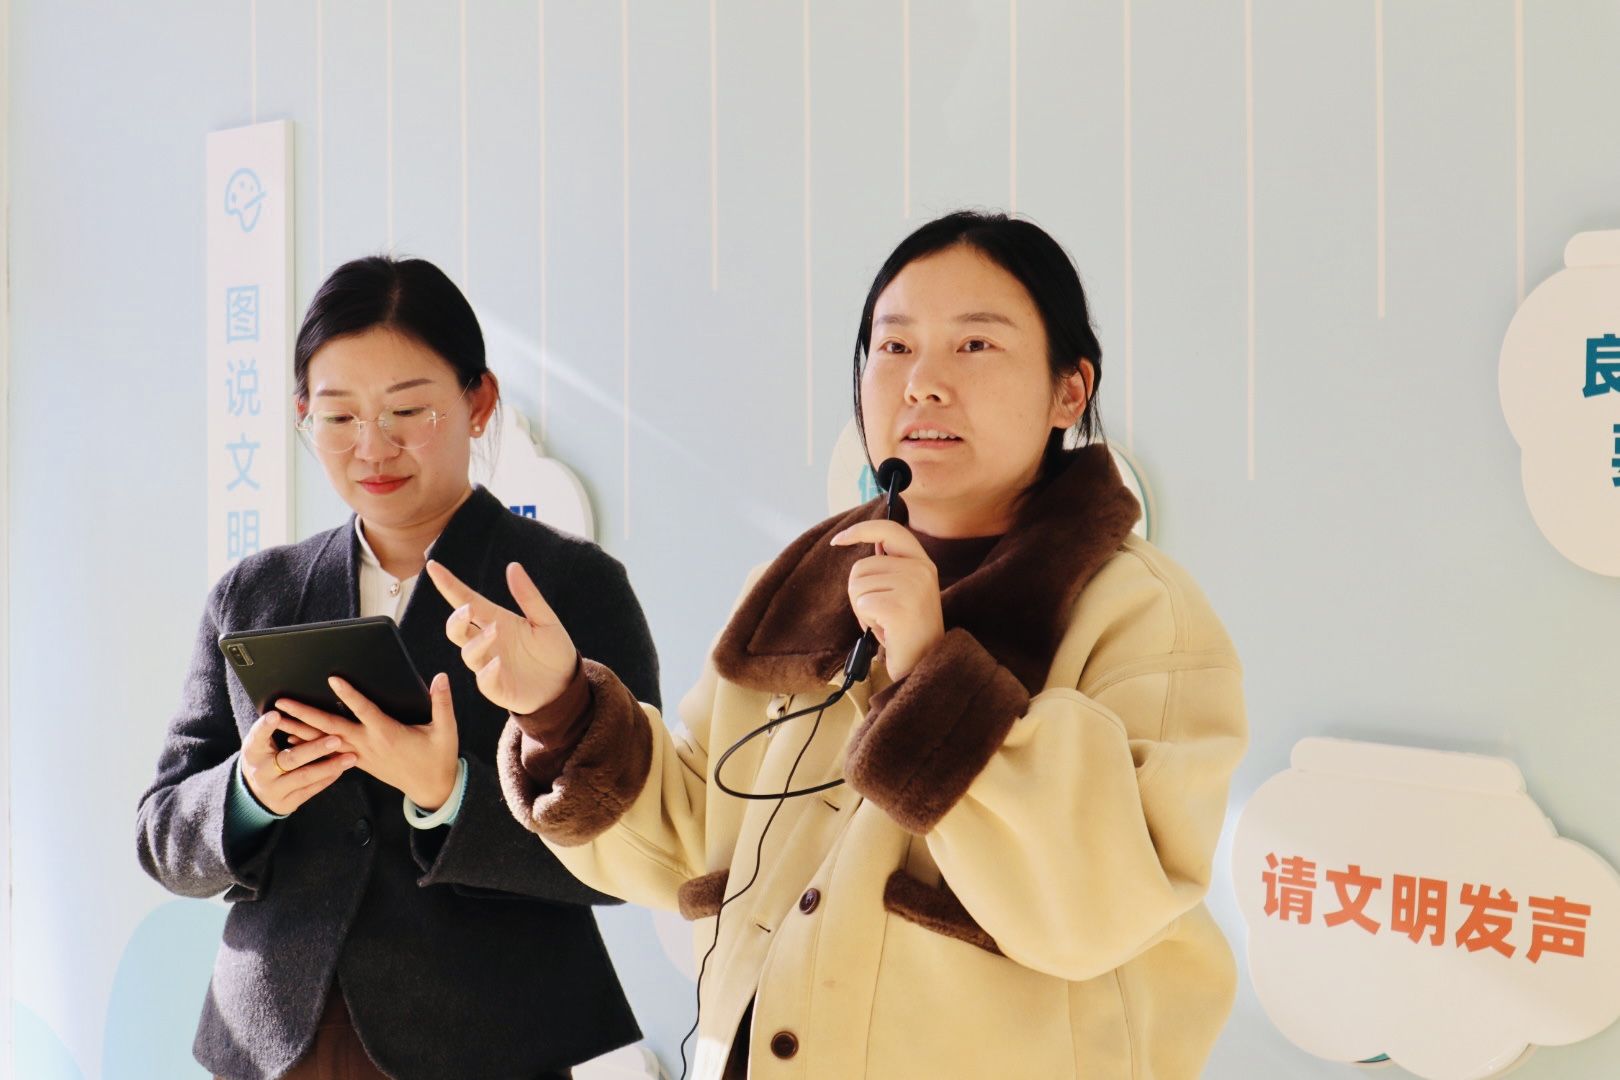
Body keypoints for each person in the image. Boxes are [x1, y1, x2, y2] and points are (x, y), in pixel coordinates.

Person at [430, 212, 1247, 1079]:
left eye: (975, 345)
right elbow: (696, 831)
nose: (923, 383)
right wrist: (559, 708)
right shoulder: (809, 581)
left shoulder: (1139, 614)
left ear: (1069, 392)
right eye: (893, 347)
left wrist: (931, 672)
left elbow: (1097, 909)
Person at [136, 255, 660, 1080]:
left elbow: (634, 839)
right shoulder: (253, 595)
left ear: (478, 402)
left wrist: (450, 793)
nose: (372, 446)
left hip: (490, 1043)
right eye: (338, 415)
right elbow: (161, 834)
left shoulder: (570, 587)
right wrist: (250, 794)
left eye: (408, 410)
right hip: (277, 1043)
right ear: (303, 415)